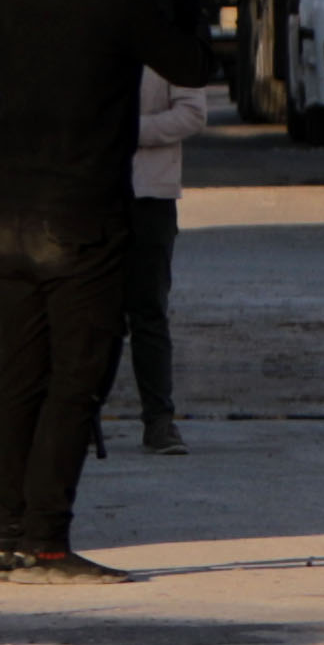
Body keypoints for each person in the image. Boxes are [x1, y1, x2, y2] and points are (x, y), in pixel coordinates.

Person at [0, 0, 218, 582]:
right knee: (77, 377)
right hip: (83, 217)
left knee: (19, 377)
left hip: (10, 213)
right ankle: (49, 541)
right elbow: (193, 63)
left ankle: (9, 536)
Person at [115, 56, 233, 454]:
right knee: (89, 311)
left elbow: (191, 113)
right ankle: (75, 418)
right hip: (92, 191)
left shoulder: (167, 42)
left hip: (150, 194)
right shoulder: (88, 26)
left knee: (148, 311)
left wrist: (130, 131)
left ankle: (159, 421)